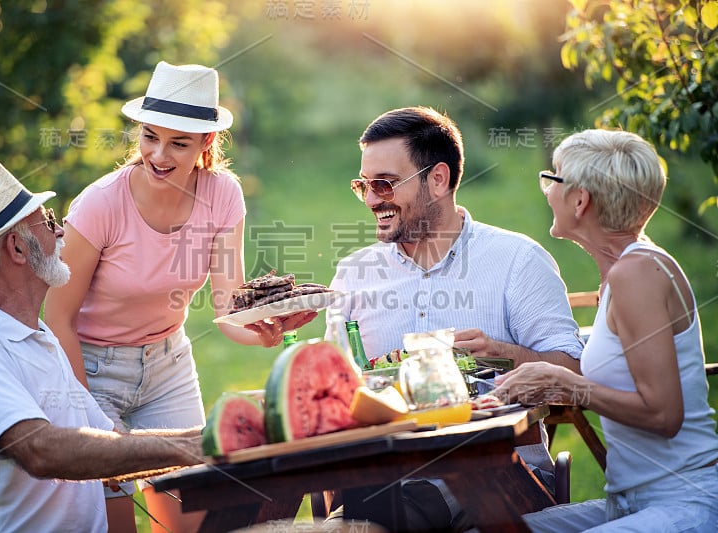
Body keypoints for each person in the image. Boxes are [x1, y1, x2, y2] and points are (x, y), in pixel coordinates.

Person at [43, 61, 314, 532]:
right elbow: (58, 317)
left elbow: (227, 305)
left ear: (207, 143)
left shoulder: (223, 194)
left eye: (179, 143)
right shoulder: (100, 204)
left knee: (189, 522)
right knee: (113, 523)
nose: (159, 154)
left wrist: (264, 334)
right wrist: (85, 408)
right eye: (150, 136)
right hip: (89, 368)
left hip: (168, 367)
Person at [326, 106, 584, 530]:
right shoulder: (353, 275)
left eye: (384, 184)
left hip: (501, 478)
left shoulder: (516, 261)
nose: (372, 199)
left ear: (438, 179)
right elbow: (334, 392)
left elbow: (573, 373)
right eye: (364, 186)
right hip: (383, 479)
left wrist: (504, 353)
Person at [0, 161, 205, 533]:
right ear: (18, 248)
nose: (60, 232)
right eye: (47, 222)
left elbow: (110, 442)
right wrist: (198, 446)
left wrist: (208, 441)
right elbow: (41, 450)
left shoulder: (41, 337)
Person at [492, 129, 718, 532]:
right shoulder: (620, 275)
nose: (546, 190)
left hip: (682, 504)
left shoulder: (638, 274)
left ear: (580, 201)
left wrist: (565, 381)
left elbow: (665, 415)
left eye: (553, 178)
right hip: (628, 504)